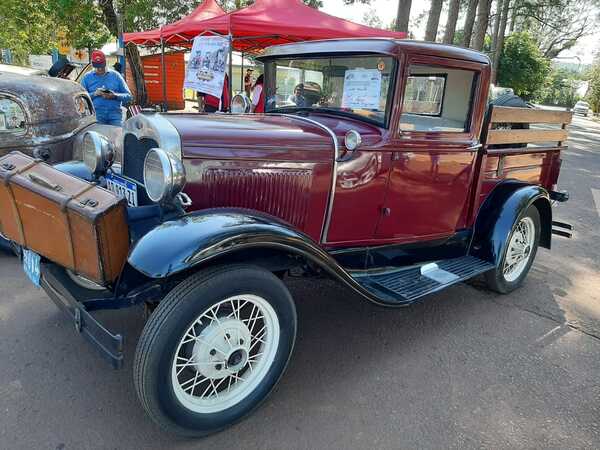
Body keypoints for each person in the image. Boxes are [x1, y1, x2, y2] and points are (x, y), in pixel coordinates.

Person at [81, 50, 132, 126]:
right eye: (97, 67)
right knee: (98, 137)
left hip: (115, 114)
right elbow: (81, 98)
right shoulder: (87, 77)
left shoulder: (116, 76)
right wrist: (94, 94)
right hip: (96, 114)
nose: (100, 69)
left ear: (105, 62)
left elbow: (129, 96)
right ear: (92, 64)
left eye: (101, 66)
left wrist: (115, 96)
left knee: (117, 136)